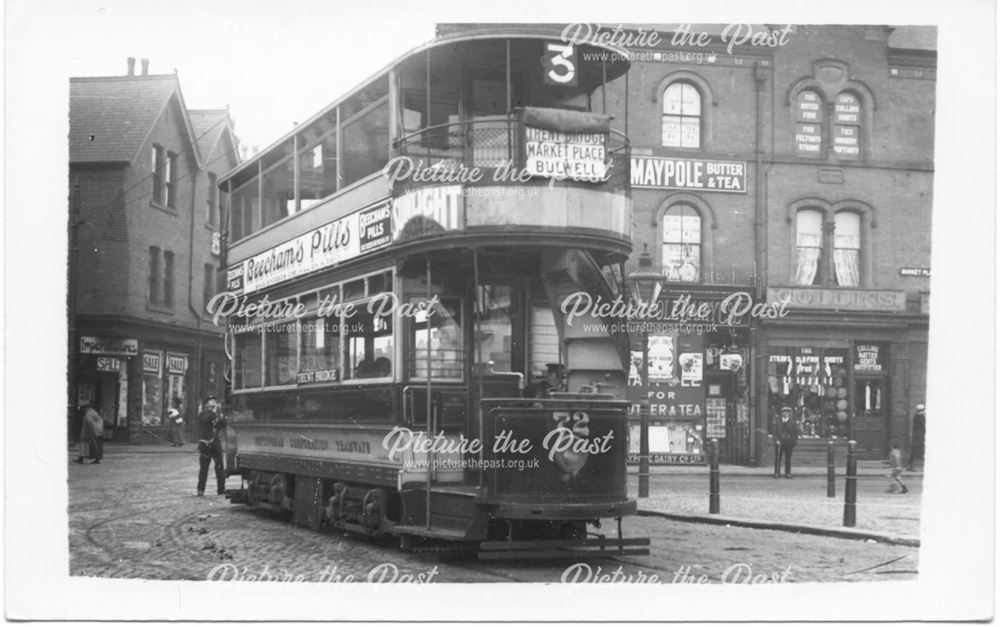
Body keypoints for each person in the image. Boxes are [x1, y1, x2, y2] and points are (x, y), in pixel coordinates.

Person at [196, 396, 227, 496]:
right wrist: (215, 414)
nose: (214, 403)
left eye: (215, 402)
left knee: (219, 467)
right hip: (206, 443)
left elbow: (223, 424)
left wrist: (221, 417)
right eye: (211, 402)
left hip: (215, 443)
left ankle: (221, 489)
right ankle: (201, 489)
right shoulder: (203, 414)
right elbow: (207, 419)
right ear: (206, 405)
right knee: (204, 468)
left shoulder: (216, 414)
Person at [773, 406, 799, 479]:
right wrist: (776, 440)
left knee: (788, 459)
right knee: (778, 458)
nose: (785, 414)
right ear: (781, 413)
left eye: (787, 412)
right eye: (784, 412)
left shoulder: (793, 422)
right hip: (779, 442)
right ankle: (777, 472)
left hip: (788, 443)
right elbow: (774, 432)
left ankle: (788, 473)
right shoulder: (777, 422)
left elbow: (796, 433)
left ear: (789, 414)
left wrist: (792, 441)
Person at [907, 403, 925, 471]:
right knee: (919, 451)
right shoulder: (921, 417)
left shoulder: (916, 416)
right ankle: (910, 466)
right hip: (920, 437)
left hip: (916, 436)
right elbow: (924, 427)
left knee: (914, 452)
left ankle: (909, 465)